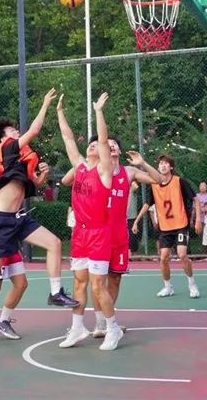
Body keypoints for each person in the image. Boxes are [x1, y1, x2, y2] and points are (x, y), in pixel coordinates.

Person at [0, 89, 78, 348]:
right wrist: (45, 104)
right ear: (3, 138)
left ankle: (55, 292)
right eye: (13, 130)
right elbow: (35, 130)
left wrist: (41, 175)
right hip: (2, 222)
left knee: (54, 243)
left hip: (19, 220)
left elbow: (32, 186)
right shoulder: (7, 147)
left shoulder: (18, 164)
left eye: (17, 130)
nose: (17, 132)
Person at [61, 137, 163, 339]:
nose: (112, 146)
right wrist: (81, 165)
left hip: (117, 233)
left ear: (119, 150)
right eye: (108, 144)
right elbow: (65, 181)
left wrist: (142, 163)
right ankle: (102, 323)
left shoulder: (128, 172)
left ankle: (103, 323)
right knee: (96, 280)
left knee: (114, 279)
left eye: (115, 144)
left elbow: (158, 179)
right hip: (96, 232)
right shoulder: (93, 168)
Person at [56, 92, 123, 351]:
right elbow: (68, 138)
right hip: (80, 234)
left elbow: (103, 140)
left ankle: (112, 328)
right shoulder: (80, 168)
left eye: (95, 145)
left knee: (97, 286)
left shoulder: (104, 172)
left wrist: (98, 112)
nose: (92, 146)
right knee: (79, 282)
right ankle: (77, 328)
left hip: (99, 233)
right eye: (90, 145)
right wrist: (59, 112)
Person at [0, 158, 50, 342]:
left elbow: (29, 187)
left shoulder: (5, 183)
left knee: (21, 283)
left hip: (9, 237)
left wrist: (43, 174)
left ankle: (3, 321)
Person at [142, 154, 201, 298]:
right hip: (165, 227)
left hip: (181, 224)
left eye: (166, 163)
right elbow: (148, 204)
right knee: (163, 258)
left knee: (182, 254)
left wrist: (198, 219)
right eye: (160, 164)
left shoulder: (180, 181)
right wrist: (137, 220)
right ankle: (168, 287)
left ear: (171, 167)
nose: (162, 166)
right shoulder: (154, 185)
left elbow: (196, 200)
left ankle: (192, 285)